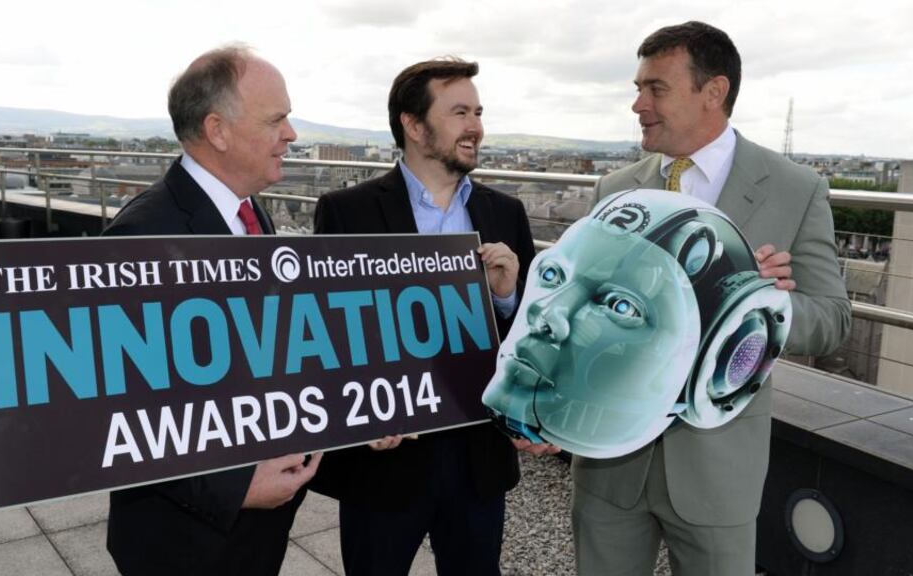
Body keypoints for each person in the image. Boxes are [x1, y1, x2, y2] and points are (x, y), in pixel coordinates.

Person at [571, 21, 851, 576]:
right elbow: (582, 310)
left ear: (714, 92)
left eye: (656, 88)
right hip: (608, 464)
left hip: (717, 473)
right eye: (637, 87)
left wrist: (758, 304)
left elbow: (832, 320)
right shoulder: (614, 190)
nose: (637, 104)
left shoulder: (795, 188)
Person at [310, 58, 551, 576]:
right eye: (459, 112)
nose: (476, 127)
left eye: (478, 112)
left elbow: (533, 336)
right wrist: (358, 416)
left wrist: (508, 298)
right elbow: (329, 335)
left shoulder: (505, 211)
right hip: (386, 457)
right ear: (414, 126)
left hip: (476, 458)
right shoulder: (345, 211)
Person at [102, 44, 322, 576]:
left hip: (251, 532)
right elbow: (115, 410)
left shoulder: (250, 214)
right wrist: (234, 484)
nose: (291, 134)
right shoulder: (142, 236)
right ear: (218, 131)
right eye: (277, 119)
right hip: (185, 542)